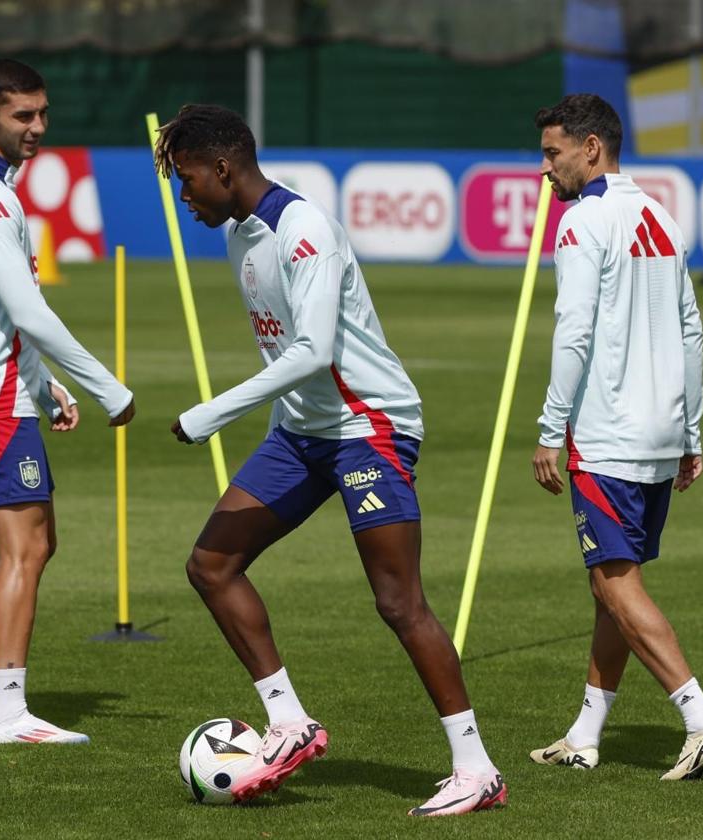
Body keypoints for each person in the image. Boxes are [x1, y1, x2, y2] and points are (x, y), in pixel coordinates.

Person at [153, 104, 506, 816]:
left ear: (223, 169)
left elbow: (313, 350)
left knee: (398, 601)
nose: (183, 195)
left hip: (369, 427)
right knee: (211, 566)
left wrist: (209, 413)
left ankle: (477, 770)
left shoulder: (303, 228)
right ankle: (287, 721)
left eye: (187, 179)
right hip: (302, 432)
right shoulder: (239, 237)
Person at [0, 58, 135, 745]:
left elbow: (6, 314)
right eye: (23, 115)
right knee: (23, 548)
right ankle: (8, 712)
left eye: (43, 113)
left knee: (37, 543)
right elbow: (29, 311)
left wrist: (46, 391)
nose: (38, 127)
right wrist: (107, 387)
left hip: (4, 392)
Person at [528, 93, 703, 780]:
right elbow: (692, 331)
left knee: (614, 581)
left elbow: (575, 331)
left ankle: (700, 717)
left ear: (592, 149)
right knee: (612, 586)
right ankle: (585, 734)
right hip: (660, 426)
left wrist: (550, 428)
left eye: (553, 153)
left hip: (608, 435)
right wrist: (692, 430)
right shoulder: (660, 216)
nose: (545, 169)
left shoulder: (583, 224)